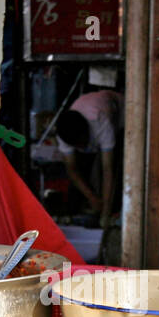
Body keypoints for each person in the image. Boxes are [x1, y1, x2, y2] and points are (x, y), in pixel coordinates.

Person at [55, 89, 123, 228]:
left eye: (82, 143)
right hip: (93, 108)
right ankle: (77, 211)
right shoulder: (63, 132)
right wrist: (91, 196)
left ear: (87, 132)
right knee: (81, 169)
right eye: (77, 145)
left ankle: (111, 211)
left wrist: (105, 213)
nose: (81, 147)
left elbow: (107, 169)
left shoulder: (102, 122)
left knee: (117, 168)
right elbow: (71, 168)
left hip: (121, 117)